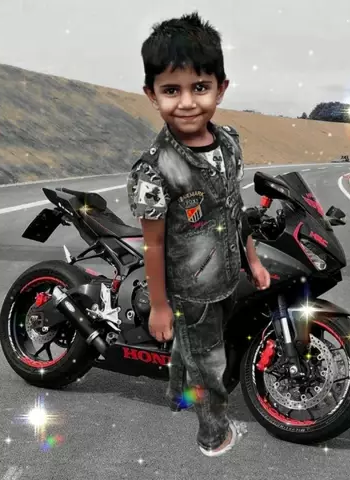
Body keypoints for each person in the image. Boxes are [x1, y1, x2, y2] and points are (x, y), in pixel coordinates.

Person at [126, 12, 271, 457]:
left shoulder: (229, 143)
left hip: (227, 276)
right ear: (151, 94)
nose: (187, 102)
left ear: (220, 88)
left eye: (200, 87)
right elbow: (153, 243)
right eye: (171, 90)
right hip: (189, 292)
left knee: (193, 346)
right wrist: (160, 306)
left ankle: (176, 393)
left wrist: (252, 259)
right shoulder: (154, 169)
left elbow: (235, 206)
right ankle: (214, 436)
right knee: (209, 365)